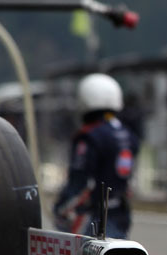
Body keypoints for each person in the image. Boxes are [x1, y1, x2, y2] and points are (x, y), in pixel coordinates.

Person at [53, 73, 139, 239]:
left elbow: (81, 181)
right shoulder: (128, 134)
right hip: (120, 212)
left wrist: (62, 208)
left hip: (94, 216)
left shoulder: (89, 136)